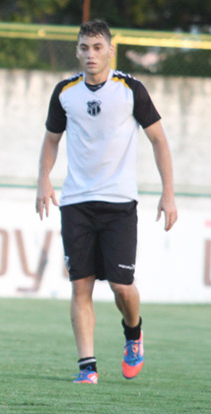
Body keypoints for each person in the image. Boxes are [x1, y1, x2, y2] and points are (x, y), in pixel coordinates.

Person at [35, 19, 178, 384]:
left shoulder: (130, 89)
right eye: (84, 47)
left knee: (121, 287)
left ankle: (133, 333)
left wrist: (168, 193)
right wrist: (43, 181)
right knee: (80, 285)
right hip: (77, 202)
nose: (90, 54)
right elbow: (51, 140)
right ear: (77, 50)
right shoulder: (65, 92)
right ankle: (88, 368)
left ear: (109, 50)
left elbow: (159, 140)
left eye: (97, 47)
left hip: (119, 203)